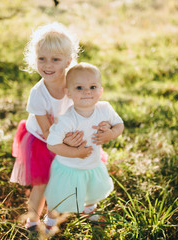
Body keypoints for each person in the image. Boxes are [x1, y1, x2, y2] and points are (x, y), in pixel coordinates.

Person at [10, 22, 110, 233]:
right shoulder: (38, 93)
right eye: (42, 59)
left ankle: (87, 206)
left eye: (55, 59)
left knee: (83, 169)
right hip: (43, 140)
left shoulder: (73, 82)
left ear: (68, 61)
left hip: (71, 135)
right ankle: (33, 220)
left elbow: (85, 105)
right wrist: (67, 144)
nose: (48, 65)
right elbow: (47, 131)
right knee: (43, 182)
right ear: (34, 59)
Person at [43, 62, 125, 233]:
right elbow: (52, 144)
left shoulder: (105, 109)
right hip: (69, 167)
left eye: (92, 87)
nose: (87, 91)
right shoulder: (67, 119)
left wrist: (111, 134)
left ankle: (89, 209)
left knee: (92, 189)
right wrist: (75, 152)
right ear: (69, 93)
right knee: (59, 197)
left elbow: (119, 124)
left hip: (93, 164)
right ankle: (51, 219)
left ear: (100, 91)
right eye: (79, 87)